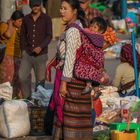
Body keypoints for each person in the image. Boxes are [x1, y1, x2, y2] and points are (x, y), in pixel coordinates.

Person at [51, 0, 93, 139]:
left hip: (71, 78)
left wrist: (64, 82)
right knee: (76, 115)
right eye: (61, 8)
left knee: (68, 114)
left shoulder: (73, 30)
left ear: (74, 10)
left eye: (65, 8)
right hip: (75, 77)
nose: (61, 11)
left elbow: (70, 57)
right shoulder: (76, 27)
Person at [19, 0, 52, 98]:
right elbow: (22, 35)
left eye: (37, 5)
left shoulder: (47, 18)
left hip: (41, 55)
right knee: (22, 77)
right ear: (30, 6)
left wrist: (40, 47)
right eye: (33, 5)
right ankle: (27, 98)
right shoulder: (26, 19)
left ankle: (38, 103)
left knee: (40, 82)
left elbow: (49, 36)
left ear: (40, 5)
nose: (35, 7)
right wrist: (24, 50)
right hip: (27, 54)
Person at [0, 10, 24, 98]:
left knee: (17, 80)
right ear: (13, 20)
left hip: (18, 56)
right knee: (7, 81)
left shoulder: (19, 28)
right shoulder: (4, 25)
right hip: (7, 56)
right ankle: (4, 100)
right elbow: (8, 35)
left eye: (22, 21)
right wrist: (10, 24)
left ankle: (17, 100)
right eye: (19, 21)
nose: (21, 23)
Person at [82, 16, 108, 94]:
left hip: (93, 58)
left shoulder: (96, 36)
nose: (92, 28)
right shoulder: (99, 37)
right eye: (91, 26)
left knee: (89, 71)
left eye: (95, 27)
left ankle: (89, 86)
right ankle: (96, 89)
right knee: (94, 73)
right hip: (96, 59)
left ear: (101, 31)